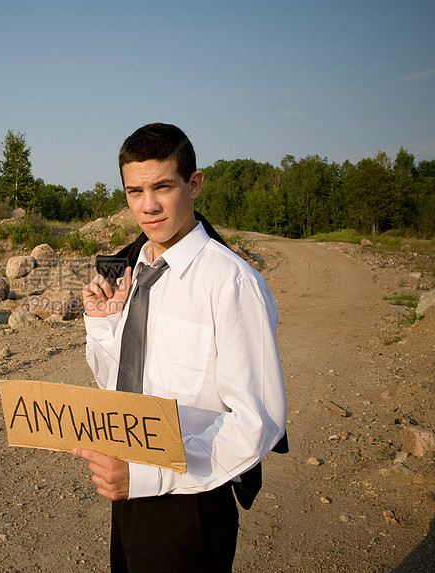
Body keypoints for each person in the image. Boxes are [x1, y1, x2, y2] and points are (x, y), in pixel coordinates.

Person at [75, 123, 286, 572]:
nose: (147, 206)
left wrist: (149, 475)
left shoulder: (231, 283)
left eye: (162, 187)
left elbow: (257, 423)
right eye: (134, 192)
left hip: (191, 501)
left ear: (194, 184)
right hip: (128, 491)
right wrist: (104, 324)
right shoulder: (134, 271)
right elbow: (118, 381)